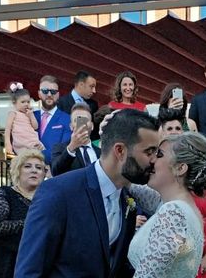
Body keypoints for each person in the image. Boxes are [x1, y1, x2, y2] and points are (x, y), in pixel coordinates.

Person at [14, 108, 160, 277]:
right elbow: (29, 271)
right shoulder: (59, 193)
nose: (154, 160)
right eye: (149, 152)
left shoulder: (128, 200)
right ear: (120, 151)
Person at [128, 132, 206, 277]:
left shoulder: (174, 212)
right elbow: (131, 186)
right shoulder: (182, 207)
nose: (152, 160)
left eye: (159, 154)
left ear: (180, 168)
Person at [0, 149, 47, 278]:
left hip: (40, 266)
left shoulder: (48, 199)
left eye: (39, 168)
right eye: (27, 166)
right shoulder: (4, 193)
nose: (34, 170)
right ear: (17, 171)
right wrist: (33, 222)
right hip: (8, 266)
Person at [50, 103, 101, 176]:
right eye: (77, 120)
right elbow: (55, 172)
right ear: (71, 126)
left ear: (92, 126)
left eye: (85, 120)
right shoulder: (60, 148)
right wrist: (71, 148)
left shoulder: (100, 152)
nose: (81, 123)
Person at [33, 75, 72, 164]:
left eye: (53, 92)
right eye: (45, 91)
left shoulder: (68, 119)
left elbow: (64, 150)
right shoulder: (30, 116)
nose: (49, 94)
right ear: (39, 93)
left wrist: (36, 154)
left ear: (58, 95)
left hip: (55, 173)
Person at [4, 82, 45, 154]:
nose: (26, 104)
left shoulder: (29, 113)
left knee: (41, 155)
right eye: (23, 102)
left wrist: (31, 115)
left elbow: (36, 127)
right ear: (14, 102)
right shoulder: (13, 113)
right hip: (21, 142)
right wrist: (8, 144)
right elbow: (7, 130)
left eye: (28, 102)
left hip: (32, 140)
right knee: (25, 159)